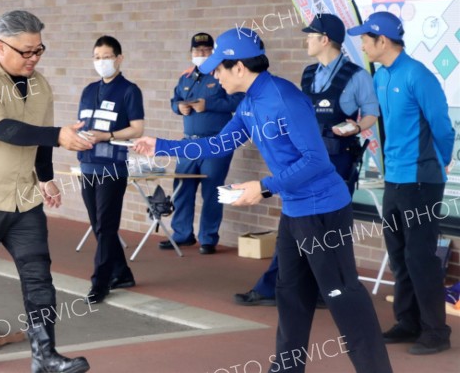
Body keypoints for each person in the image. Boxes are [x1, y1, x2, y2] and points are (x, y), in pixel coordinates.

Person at [134, 27, 392, 373]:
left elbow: (316, 161)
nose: (213, 75)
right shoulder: (250, 102)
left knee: (342, 296)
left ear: (238, 67)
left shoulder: (283, 99)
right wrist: (163, 146)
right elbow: (218, 144)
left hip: (323, 210)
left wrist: (264, 186)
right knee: (289, 292)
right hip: (296, 210)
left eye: (218, 68)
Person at [0, 10, 91, 373]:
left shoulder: (40, 86)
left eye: (39, 50)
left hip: (25, 200)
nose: (34, 58)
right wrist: (57, 134)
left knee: (39, 276)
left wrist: (46, 177)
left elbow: (39, 141)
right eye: (26, 51)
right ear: (1, 47)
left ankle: (45, 354)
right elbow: (5, 130)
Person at [234, 13, 379, 307]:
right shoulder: (308, 73)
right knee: (294, 224)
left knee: (329, 233)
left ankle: (332, 292)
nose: (306, 40)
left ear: (325, 40)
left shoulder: (358, 76)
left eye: (311, 36)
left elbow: (372, 115)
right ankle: (276, 287)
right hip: (304, 161)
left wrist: (356, 127)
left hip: (338, 160)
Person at [348, 11, 455, 355]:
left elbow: (442, 126)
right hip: (393, 179)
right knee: (398, 254)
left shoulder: (417, 75)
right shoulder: (380, 77)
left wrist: (438, 161)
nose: (362, 44)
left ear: (383, 41)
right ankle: (407, 322)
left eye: (366, 38)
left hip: (421, 180)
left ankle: (436, 331)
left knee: (419, 256)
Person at [158, 32, 243, 255]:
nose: (201, 54)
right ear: (191, 53)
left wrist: (210, 104)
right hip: (189, 144)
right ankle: (182, 235)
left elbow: (238, 100)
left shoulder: (223, 73)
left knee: (212, 190)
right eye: (197, 51)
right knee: (182, 188)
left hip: (216, 143)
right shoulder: (186, 77)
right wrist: (179, 108)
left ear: (213, 53)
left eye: (206, 51)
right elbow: (174, 100)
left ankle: (208, 238)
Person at [77, 36, 144, 304]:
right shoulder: (88, 90)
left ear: (119, 58)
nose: (101, 62)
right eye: (97, 57)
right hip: (88, 164)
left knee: (106, 225)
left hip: (112, 166)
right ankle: (122, 272)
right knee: (98, 224)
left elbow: (137, 129)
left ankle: (100, 283)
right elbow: (82, 125)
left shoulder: (129, 90)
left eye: (106, 57)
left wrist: (108, 135)